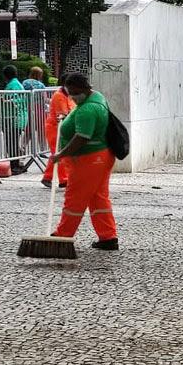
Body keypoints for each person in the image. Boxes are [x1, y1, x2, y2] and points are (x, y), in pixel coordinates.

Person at [51, 73, 118, 250]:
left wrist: (60, 155)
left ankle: (63, 236)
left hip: (90, 160)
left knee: (74, 198)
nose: (72, 97)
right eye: (69, 93)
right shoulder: (97, 97)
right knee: (98, 199)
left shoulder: (88, 110)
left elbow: (81, 138)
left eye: (74, 93)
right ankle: (108, 236)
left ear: (84, 89)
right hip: (101, 157)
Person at [41, 73, 75, 188]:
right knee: (60, 153)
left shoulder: (67, 95)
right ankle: (63, 179)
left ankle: (48, 177)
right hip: (55, 128)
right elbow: (63, 114)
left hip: (60, 127)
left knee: (58, 153)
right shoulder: (59, 96)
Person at [0, 65, 29, 175]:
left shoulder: (13, 85)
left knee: (11, 142)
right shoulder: (16, 84)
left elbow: (16, 100)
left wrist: (5, 100)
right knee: (13, 142)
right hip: (15, 119)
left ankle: (15, 165)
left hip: (13, 119)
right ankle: (16, 164)